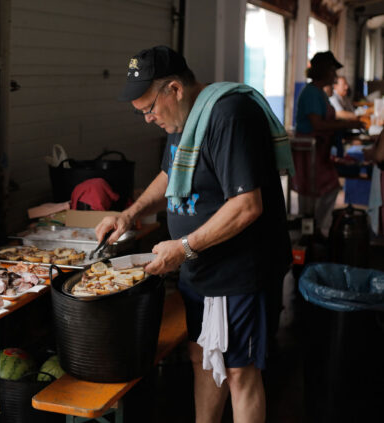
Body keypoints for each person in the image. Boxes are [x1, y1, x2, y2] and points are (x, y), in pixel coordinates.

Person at [95, 46, 292, 423]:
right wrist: (131, 214)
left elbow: (248, 205)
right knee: (202, 358)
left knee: (239, 372)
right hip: (201, 270)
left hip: (240, 272)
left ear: (174, 88)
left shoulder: (229, 115)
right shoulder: (183, 121)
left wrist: (184, 247)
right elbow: (171, 175)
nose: (149, 119)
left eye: (150, 108)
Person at [294, 51, 362, 237]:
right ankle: (309, 232)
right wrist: (348, 124)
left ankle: (317, 230)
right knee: (312, 193)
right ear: (323, 71)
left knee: (327, 188)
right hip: (310, 151)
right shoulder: (311, 93)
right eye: (332, 70)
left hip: (320, 151)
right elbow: (317, 124)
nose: (335, 75)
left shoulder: (320, 93)